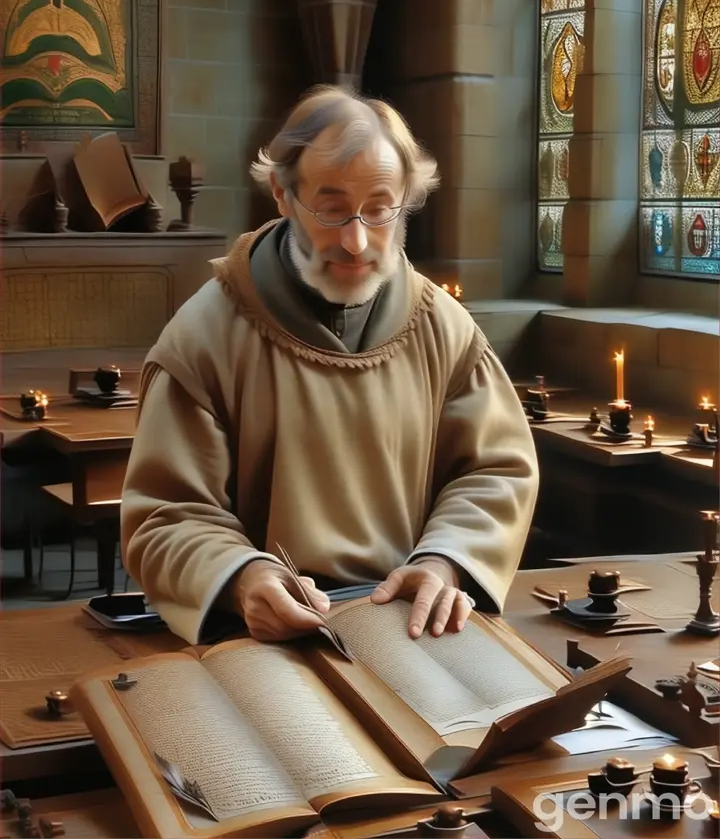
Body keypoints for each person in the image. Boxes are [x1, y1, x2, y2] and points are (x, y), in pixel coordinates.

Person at [120, 85, 539, 646]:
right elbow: (166, 515)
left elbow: (495, 472)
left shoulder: (444, 327)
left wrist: (445, 561)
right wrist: (243, 579)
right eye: (333, 209)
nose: (357, 239)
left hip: (411, 631)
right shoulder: (205, 336)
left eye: (380, 209)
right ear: (283, 194)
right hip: (262, 636)